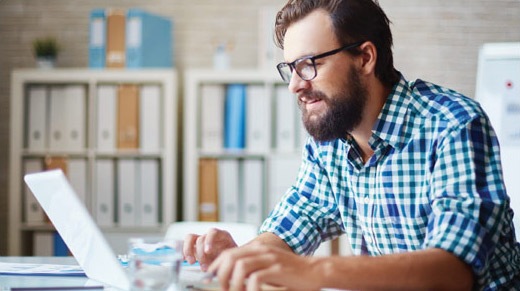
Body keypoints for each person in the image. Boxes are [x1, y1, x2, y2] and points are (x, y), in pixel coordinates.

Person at [183, 0, 520, 290]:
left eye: (309, 65)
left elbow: (453, 271)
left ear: (365, 58)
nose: (295, 86)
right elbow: (292, 225)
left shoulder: (453, 123)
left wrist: (314, 272)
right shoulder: (331, 139)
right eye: (291, 69)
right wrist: (245, 258)